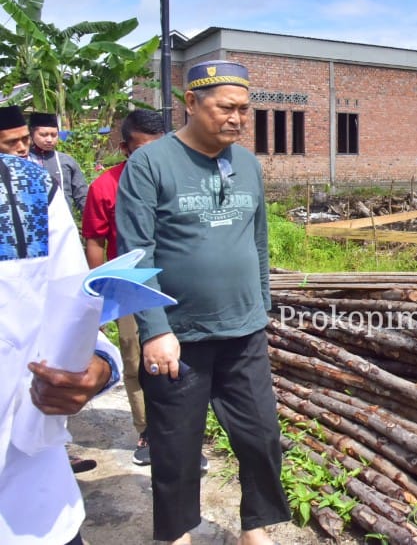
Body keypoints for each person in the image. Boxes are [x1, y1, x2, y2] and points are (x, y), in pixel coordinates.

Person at [116, 61, 289, 545]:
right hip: (178, 337)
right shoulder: (149, 164)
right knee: (176, 447)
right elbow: (134, 253)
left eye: (243, 109)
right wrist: (154, 330)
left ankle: (257, 526)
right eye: (224, 108)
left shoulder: (248, 163)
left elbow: (258, 242)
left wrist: (262, 310)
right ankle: (177, 532)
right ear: (190, 103)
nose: (235, 118)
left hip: (243, 330)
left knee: (260, 438)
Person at [0, 151, 123, 545]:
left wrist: (95, 367)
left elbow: (72, 309)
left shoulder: (26, 189)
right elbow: (96, 237)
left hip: (29, 500)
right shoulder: (106, 184)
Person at [81, 109, 166, 467]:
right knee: (136, 360)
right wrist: (101, 294)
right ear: (125, 148)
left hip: (173, 282)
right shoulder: (105, 186)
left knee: (184, 360)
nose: (149, 159)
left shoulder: (174, 181)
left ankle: (183, 433)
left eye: (158, 150)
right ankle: (147, 431)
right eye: (141, 150)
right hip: (130, 284)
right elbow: (95, 241)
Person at [27, 112, 88, 214]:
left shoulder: (66, 161)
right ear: (31, 135)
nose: (49, 140)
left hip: (63, 221)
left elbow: (81, 195)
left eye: (54, 135)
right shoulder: (23, 161)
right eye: (43, 135)